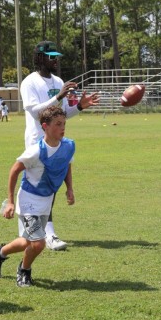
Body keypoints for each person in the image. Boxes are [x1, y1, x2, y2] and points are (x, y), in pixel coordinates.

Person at [20, 40, 100, 250]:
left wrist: (80, 107)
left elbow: (61, 114)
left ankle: (45, 232)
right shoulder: (29, 82)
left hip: (56, 140)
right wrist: (58, 96)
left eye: (56, 57)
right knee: (39, 187)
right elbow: (36, 113)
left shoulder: (58, 80)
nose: (55, 60)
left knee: (51, 186)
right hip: (38, 141)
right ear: (39, 58)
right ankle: (45, 233)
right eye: (50, 56)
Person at [0, 106, 75, 287]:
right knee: (39, 243)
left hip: (46, 200)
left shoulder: (68, 146)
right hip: (28, 201)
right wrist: (10, 202)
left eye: (64, 123)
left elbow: (66, 165)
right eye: (58, 124)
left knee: (27, 240)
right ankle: (24, 271)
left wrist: (70, 189)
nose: (62, 127)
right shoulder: (35, 151)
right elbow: (14, 171)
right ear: (45, 126)